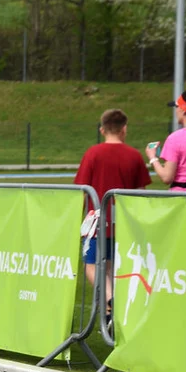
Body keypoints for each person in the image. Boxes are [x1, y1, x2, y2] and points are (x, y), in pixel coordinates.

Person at [74, 109, 151, 313]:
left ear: (102, 130)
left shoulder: (92, 153)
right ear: (124, 129)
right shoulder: (134, 155)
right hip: (122, 222)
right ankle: (110, 313)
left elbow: (82, 190)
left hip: (96, 222)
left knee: (91, 265)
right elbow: (140, 193)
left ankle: (110, 300)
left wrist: (76, 219)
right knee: (110, 267)